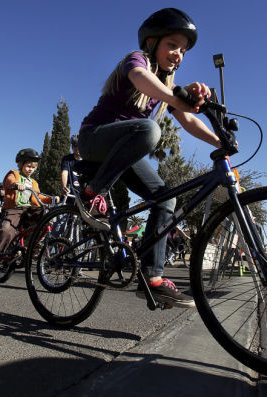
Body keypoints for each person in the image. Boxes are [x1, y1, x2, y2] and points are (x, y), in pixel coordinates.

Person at [76, 8, 221, 307]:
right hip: (94, 139)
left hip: (123, 151)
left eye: (183, 50)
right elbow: (140, 78)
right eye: (172, 45)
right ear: (152, 42)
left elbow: (190, 121)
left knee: (166, 198)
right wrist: (177, 98)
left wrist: (221, 143)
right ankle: (91, 192)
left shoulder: (167, 87)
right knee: (150, 129)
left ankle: (151, 278)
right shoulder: (137, 59)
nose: (178, 53)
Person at [0, 149, 58, 278]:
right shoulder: (14, 174)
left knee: (42, 214)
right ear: (20, 164)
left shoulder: (34, 183)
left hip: (28, 210)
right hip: (14, 209)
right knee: (6, 230)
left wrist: (52, 199)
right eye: (28, 166)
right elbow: (8, 181)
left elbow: (38, 198)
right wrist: (15, 184)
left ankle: (33, 244)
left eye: (34, 167)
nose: (31, 169)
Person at [60, 135, 82, 203]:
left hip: (83, 197)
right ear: (72, 147)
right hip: (69, 195)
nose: (77, 148)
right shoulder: (67, 159)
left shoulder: (87, 160)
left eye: (79, 145)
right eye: (75, 145)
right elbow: (64, 173)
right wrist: (64, 187)